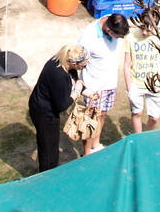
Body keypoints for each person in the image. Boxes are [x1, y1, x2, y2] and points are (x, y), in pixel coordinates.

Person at [28, 44, 87, 172]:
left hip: (40, 104)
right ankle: (47, 176)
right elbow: (61, 105)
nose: (85, 66)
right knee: (48, 148)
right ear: (74, 63)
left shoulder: (61, 59)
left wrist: (84, 90)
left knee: (51, 144)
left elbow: (73, 75)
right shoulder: (58, 75)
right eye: (84, 64)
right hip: (44, 113)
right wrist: (76, 93)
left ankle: (50, 170)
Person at [76, 12, 129, 154]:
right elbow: (78, 60)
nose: (120, 39)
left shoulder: (114, 20)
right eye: (118, 37)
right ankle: (87, 153)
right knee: (91, 120)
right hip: (94, 87)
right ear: (109, 31)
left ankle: (96, 145)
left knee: (102, 115)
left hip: (110, 84)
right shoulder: (88, 36)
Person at [123, 20, 160, 133]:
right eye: (142, 28)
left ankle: (147, 136)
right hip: (136, 84)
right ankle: (139, 138)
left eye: (148, 29)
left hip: (155, 85)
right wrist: (129, 88)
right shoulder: (130, 37)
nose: (143, 32)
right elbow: (127, 64)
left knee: (154, 118)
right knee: (137, 113)